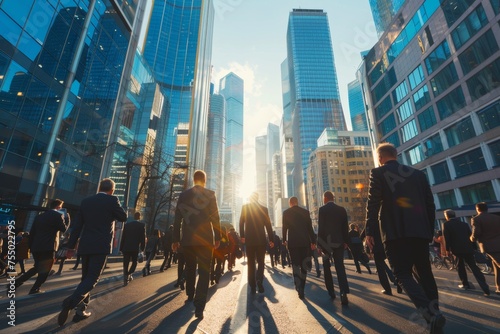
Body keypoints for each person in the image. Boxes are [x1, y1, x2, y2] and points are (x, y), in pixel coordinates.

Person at [365, 143, 445, 333]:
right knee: (425, 274)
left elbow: (373, 204)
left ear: (380, 157)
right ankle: (436, 319)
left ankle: (431, 315)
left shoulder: (378, 174)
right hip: (419, 232)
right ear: (396, 155)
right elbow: (429, 205)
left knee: (401, 273)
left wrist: (369, 231)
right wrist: (428, 229)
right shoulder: (418, 174)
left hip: (394, 234)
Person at [58, 178, 127, 326]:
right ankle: (70, 303)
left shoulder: (86, 201)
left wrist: (70, 247)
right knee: (93, 279)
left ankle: (81, 311)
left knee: (86, 279)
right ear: (112, 190)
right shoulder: (112, 200)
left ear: (99, 188)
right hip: (100, 246)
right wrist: (114, 208)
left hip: (85, 245)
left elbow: (77, 227)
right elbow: (123, 217)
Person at [172, 170, 221, 320]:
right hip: (206, 240)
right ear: (204, 180)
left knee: (191, 267)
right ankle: (199, 306)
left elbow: (177, 219)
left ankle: (190, 295)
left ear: (194, 180)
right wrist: (218, 237)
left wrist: (175, 240)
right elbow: (215, 218)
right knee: (205, 271)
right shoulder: (210, 194)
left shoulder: (183, 195)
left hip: (187, 240)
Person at [15, 199, 69, 294]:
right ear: (58, 207)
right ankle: (35, 288)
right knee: (45, 270)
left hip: (36, 247)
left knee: (37, 267)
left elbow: (32, 233)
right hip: (48, 247)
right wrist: (67, 218)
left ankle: (17, 283)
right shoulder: (58, 215)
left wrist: (31, 247)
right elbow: (64, 229)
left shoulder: (39, 217)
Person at [442, 209, 490, 295]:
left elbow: (447, 238)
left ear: (447, 216)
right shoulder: (464, 224)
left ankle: (465, 284)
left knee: (460, 267)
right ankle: (485, 287)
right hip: (468, 248)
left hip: (456, 250)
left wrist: (447, 250)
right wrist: (474, 247)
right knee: (473, 266)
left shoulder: (446, 224)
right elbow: (470, 235)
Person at [317, 191, 350, 305]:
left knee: (327, 267)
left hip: (326, 244)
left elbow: (321, 228)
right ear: (333, 198)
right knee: (340, 266)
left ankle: (331, 291)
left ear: (325, 198)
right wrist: (346, 241)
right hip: (339, 242)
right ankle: (343, 292)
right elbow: (345, 227)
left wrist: (319, 245)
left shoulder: (322, 210)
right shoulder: (341, 210)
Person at [239, 192, 274, 294]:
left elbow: (241, 223)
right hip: (261, 240)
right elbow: (268, 226)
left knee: (251, 263)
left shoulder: (245, 208)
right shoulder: (264, 209)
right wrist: (271, 239)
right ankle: (259, 279)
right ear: (257, 198)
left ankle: (253, 286)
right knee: (261, 262)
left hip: (249, 240)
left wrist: (242, 236)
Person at [282, 196, 316, 299]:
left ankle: (298, 285)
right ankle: (302, 287)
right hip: (304, 243)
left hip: (293, 244)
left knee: (295, 265)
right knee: (303, 266)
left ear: (290, 203)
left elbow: (284, 228)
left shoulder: (286, 213)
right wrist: (313, 242)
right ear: (297, 202)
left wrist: (284, 240)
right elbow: (310, 228)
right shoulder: (305, 212)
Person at [471, 202, 500, 295]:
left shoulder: (476, 219)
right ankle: (498, 287)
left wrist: (472, 238)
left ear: (477, 209)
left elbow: (477, 233)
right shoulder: (496, 217)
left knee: (498, 264)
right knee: (496, 267)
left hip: (489, 246)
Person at [120, 212, 146, 286]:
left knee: (126, 263)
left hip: (126, 247)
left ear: (134, 217)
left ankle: (125, 276)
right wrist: (142, 248)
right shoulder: (141, 225)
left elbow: (123, 237)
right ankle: (129, 273)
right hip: (135, 248)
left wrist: (121, 248)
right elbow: (142, 238)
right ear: (139, 217)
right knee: (134, 262)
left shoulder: (127, 225)